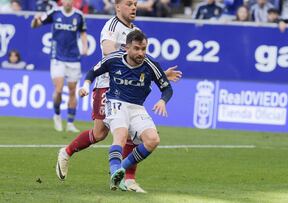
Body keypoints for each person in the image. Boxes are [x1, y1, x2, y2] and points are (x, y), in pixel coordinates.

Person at [56, 0, 182, 193]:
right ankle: (66, 152)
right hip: (107, 84)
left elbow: (138, 62)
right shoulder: (112, 26)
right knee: (100, 134)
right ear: (117, 7)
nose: (133, 7)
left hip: (129, 88)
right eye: (129, 3)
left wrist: (160, 73)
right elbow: (110, 53)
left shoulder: (136, 31)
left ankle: (128, 178)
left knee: (133, 133)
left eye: (135, 4)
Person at [80, 30, 173, 191]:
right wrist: (85, 86)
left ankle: (120, 168)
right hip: (116, 103)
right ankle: (115, 171)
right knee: (121, 136)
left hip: (137, 107)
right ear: (126, 48)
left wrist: (162, 101)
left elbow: (167, 88)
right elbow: (92, 72)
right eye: (136, 48)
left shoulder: (151, 65)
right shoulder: (113, 59)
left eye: (143, 49)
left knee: (153, 140)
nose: (141, 53)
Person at [31, 0, 88, 132]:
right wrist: (35, 20)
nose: (68, 2)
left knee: (73, 91)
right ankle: (56, 114)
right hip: (57, 57)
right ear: (62, 1)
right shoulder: (54, 12)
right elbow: (35, 25)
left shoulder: (79, 16)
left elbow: (83, 32)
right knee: (58, 89)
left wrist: (85, 46)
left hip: (74, 58)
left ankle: (70, 123)